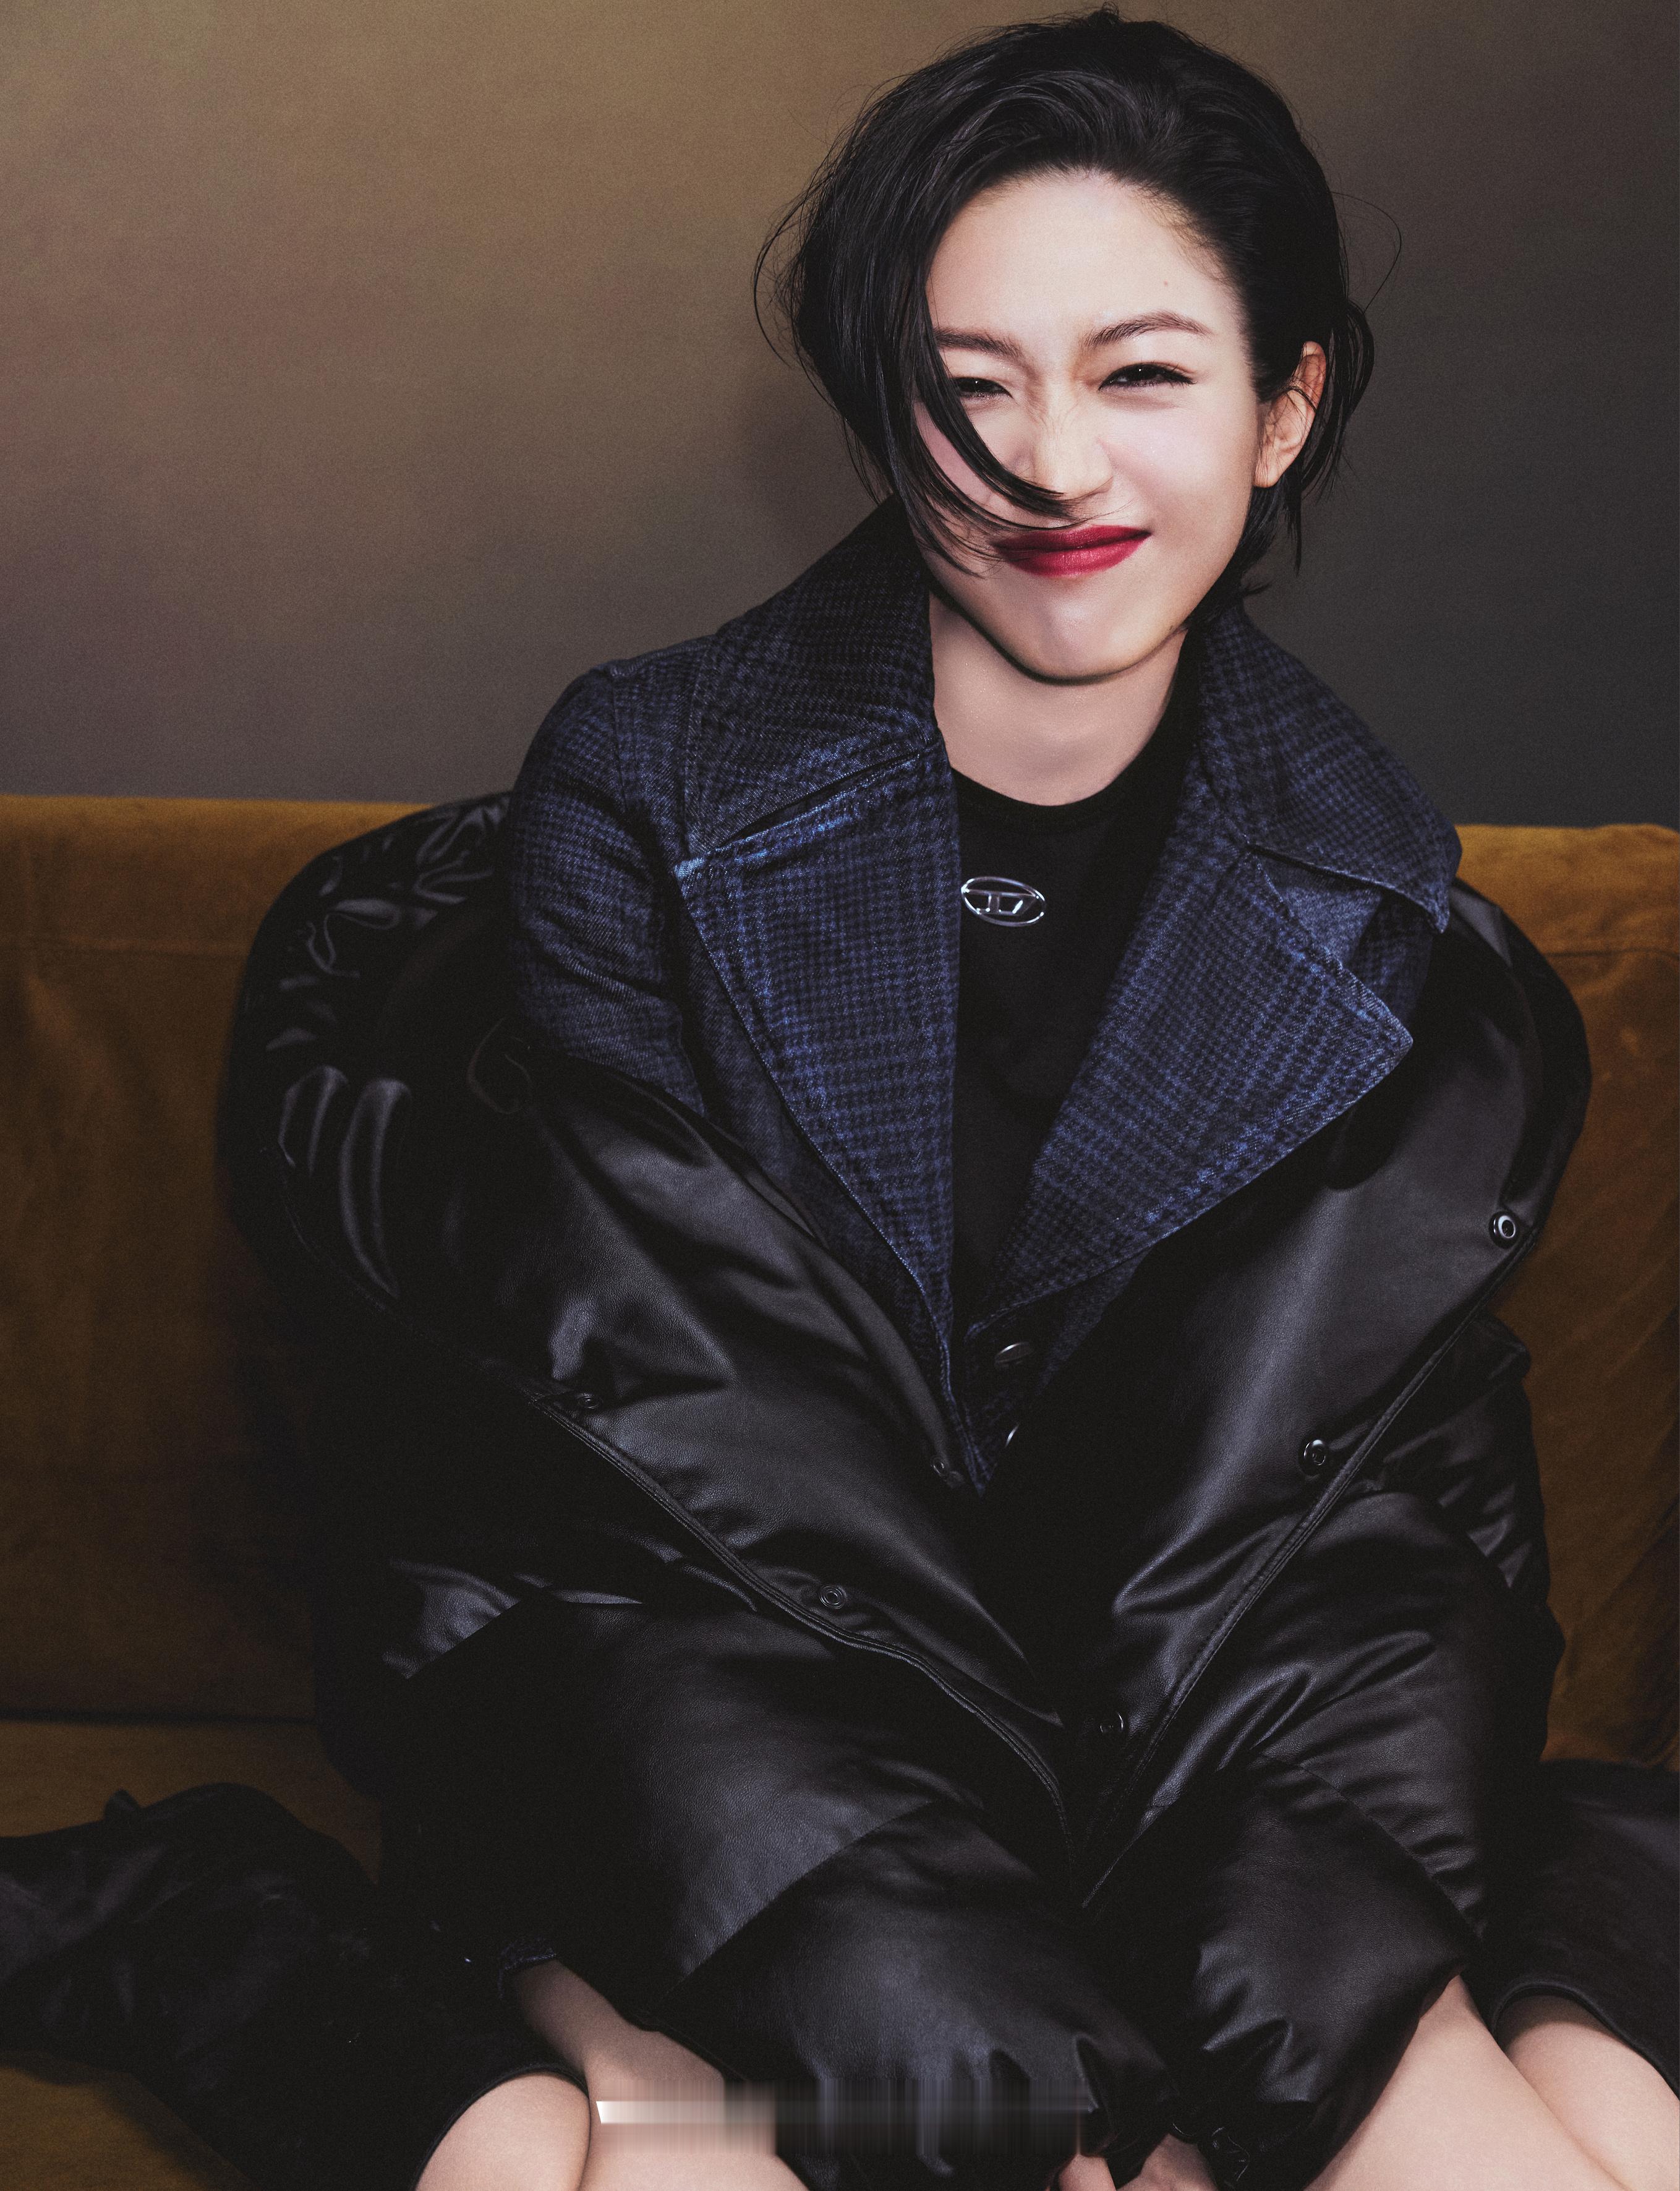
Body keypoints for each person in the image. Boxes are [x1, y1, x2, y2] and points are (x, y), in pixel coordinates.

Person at [1, 13, 1673, 2191]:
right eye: (970, 385)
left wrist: (1319, 1957)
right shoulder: (653, 792)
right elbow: (675, 1446)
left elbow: (1362, 1523)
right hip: (718, 1659)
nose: (1049, 467)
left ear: (1285, 408)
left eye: (1143, 375)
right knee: (893, 2095)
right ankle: (381, 1964)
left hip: (1174, 1720)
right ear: (888, 413)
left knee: (1494, 2122)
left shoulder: (1402, 932)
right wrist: (1052, 2016)